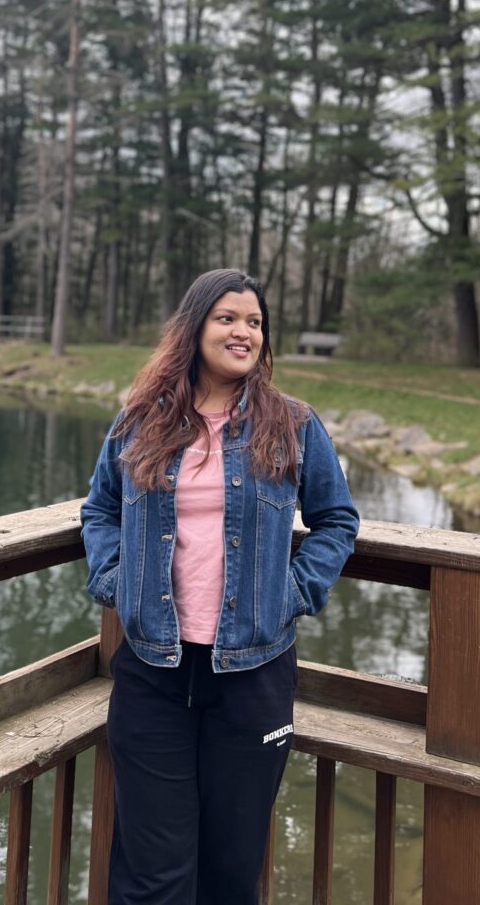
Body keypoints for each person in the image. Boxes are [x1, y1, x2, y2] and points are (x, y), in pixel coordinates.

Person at [81, 268, 358, 905]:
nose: (243, 332)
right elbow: (100, 509)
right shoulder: (139, 421)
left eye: (255, 322)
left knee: (232, 873)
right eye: (227, 318)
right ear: (195, 327)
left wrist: (295, 591)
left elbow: (336, 519)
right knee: (153, 876)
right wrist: (114, 579)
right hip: (154, 670)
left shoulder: (292, 424)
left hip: (253, 675)